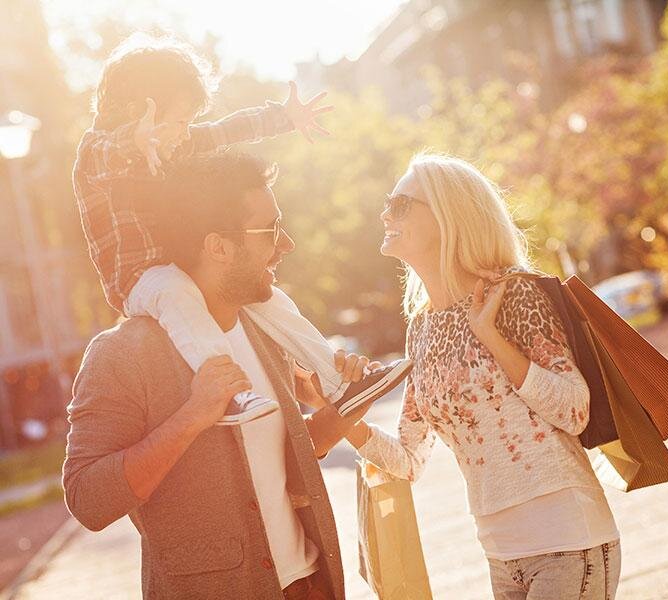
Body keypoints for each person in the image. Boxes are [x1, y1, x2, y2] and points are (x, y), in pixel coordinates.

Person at [64, 151, 378, 599]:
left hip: (308, 584)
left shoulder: (264, 330)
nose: (286, 244)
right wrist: (193, 416)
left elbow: (277, 460)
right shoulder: (120, 355)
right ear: (218, 247)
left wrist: (346, 409)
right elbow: (88, 500)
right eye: (271, 229)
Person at [73, 33, 410, 427]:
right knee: (176, 292)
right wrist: (135, 140)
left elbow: (224, 131)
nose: (185, 131)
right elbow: (109, 153)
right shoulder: (95, 152)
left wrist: (282, 118)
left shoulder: (174, 143)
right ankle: (230, 394)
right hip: (137, 280)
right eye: (180, 121)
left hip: (180, 269)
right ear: (138, 110)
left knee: (267, 296)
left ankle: (340, 383)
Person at [345, 153, 622, 599]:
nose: (385, 215)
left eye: (400, 205)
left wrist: (489, 334)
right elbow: (410, 460)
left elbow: (574, 409)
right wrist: (340, 416)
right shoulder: (421, 329)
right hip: (501, 556)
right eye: (387, 204)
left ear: (447, 214)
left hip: (569, 542)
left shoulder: (512, 293)